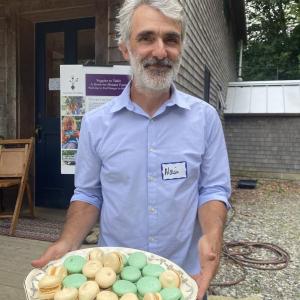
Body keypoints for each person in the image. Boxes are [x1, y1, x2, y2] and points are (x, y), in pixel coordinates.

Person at [32, 1, 231, 299]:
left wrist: (212, 237)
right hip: (114, 280)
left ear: (181, 47)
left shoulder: (204, 119)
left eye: (171, 39)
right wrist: (68, 242)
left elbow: (213, 189)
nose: (160, 52)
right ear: (125, 48)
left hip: (183, 278)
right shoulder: (97, 124)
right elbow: (88, 194)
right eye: (146, 37)